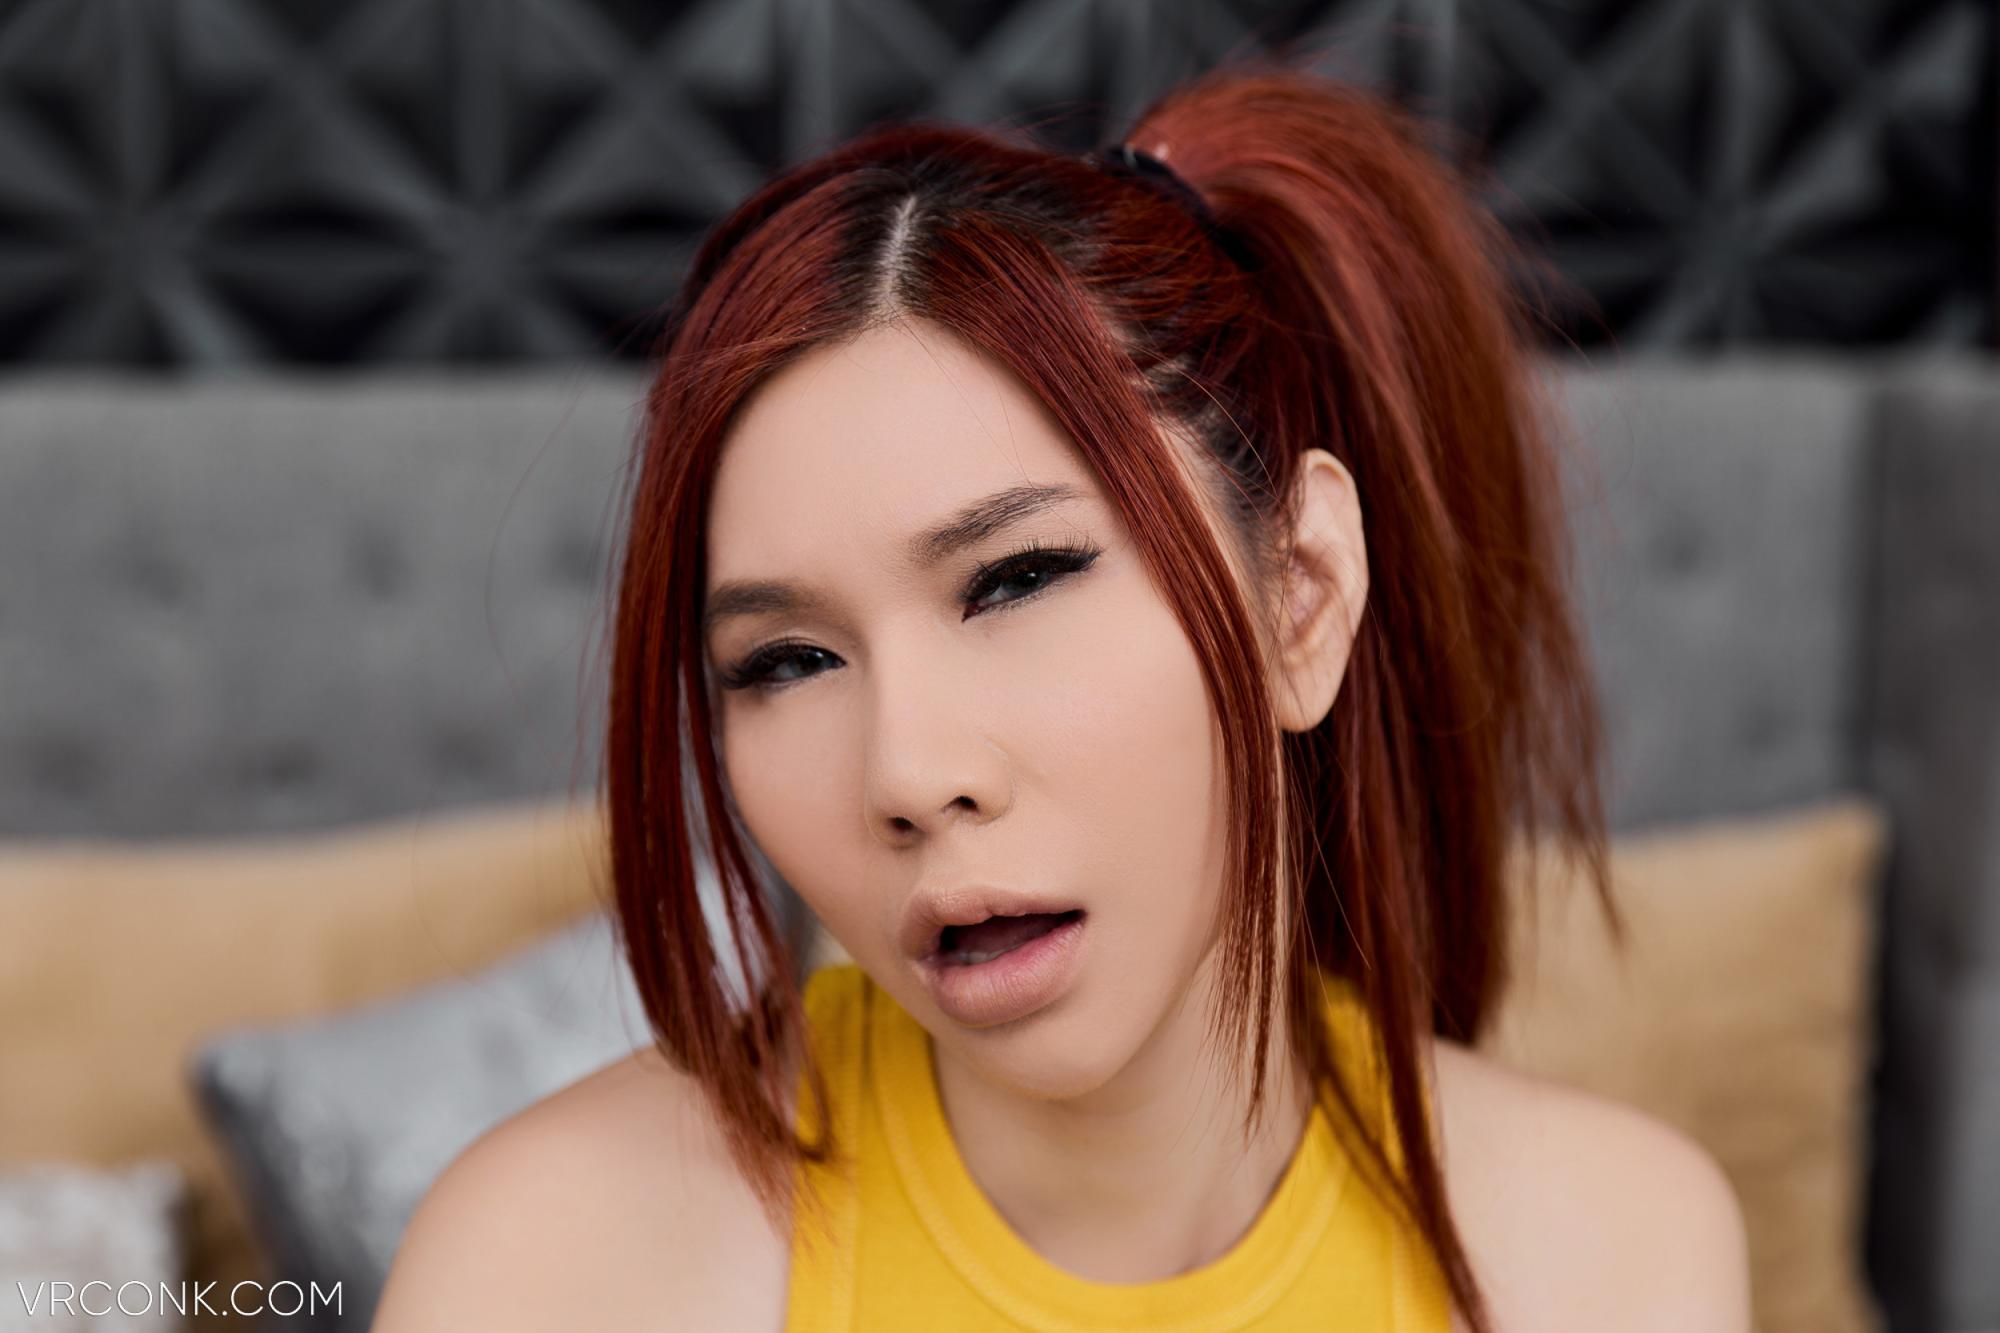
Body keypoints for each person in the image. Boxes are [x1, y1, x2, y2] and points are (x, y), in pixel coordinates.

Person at [371, 57, 1751, 1332]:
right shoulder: (552, 1262)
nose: (908, 776)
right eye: (786, 661)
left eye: (1017, 579)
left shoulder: (1606, 1253)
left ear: (1302, 596)